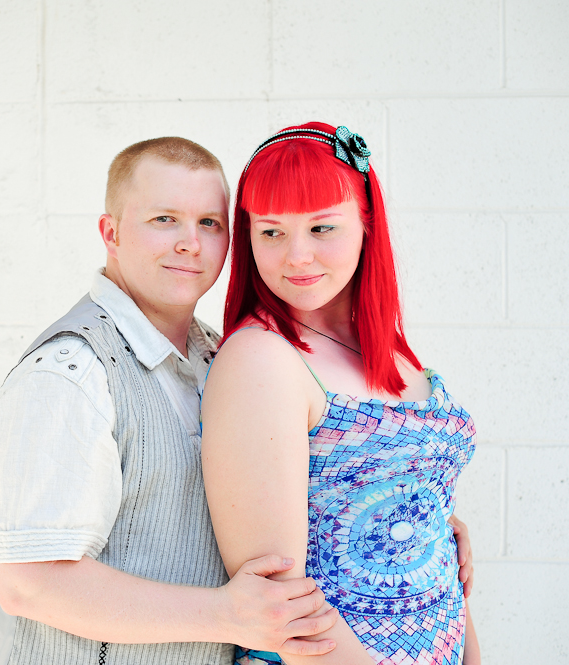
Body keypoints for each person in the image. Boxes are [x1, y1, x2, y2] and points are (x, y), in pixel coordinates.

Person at [0, 137, 343, 665]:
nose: (191, 243)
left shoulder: (220, 356)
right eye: (165, 219)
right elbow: (29, 582)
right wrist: (224, 613)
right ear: (112, 233)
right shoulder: (68, 374)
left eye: (210, 223)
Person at [200, 122, 481, 664]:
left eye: (321, 228)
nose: (297, 256)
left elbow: (436, 547)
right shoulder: (263, 358)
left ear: (366, 223)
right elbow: (281, 603)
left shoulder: (395, 352)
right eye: (272, 232)